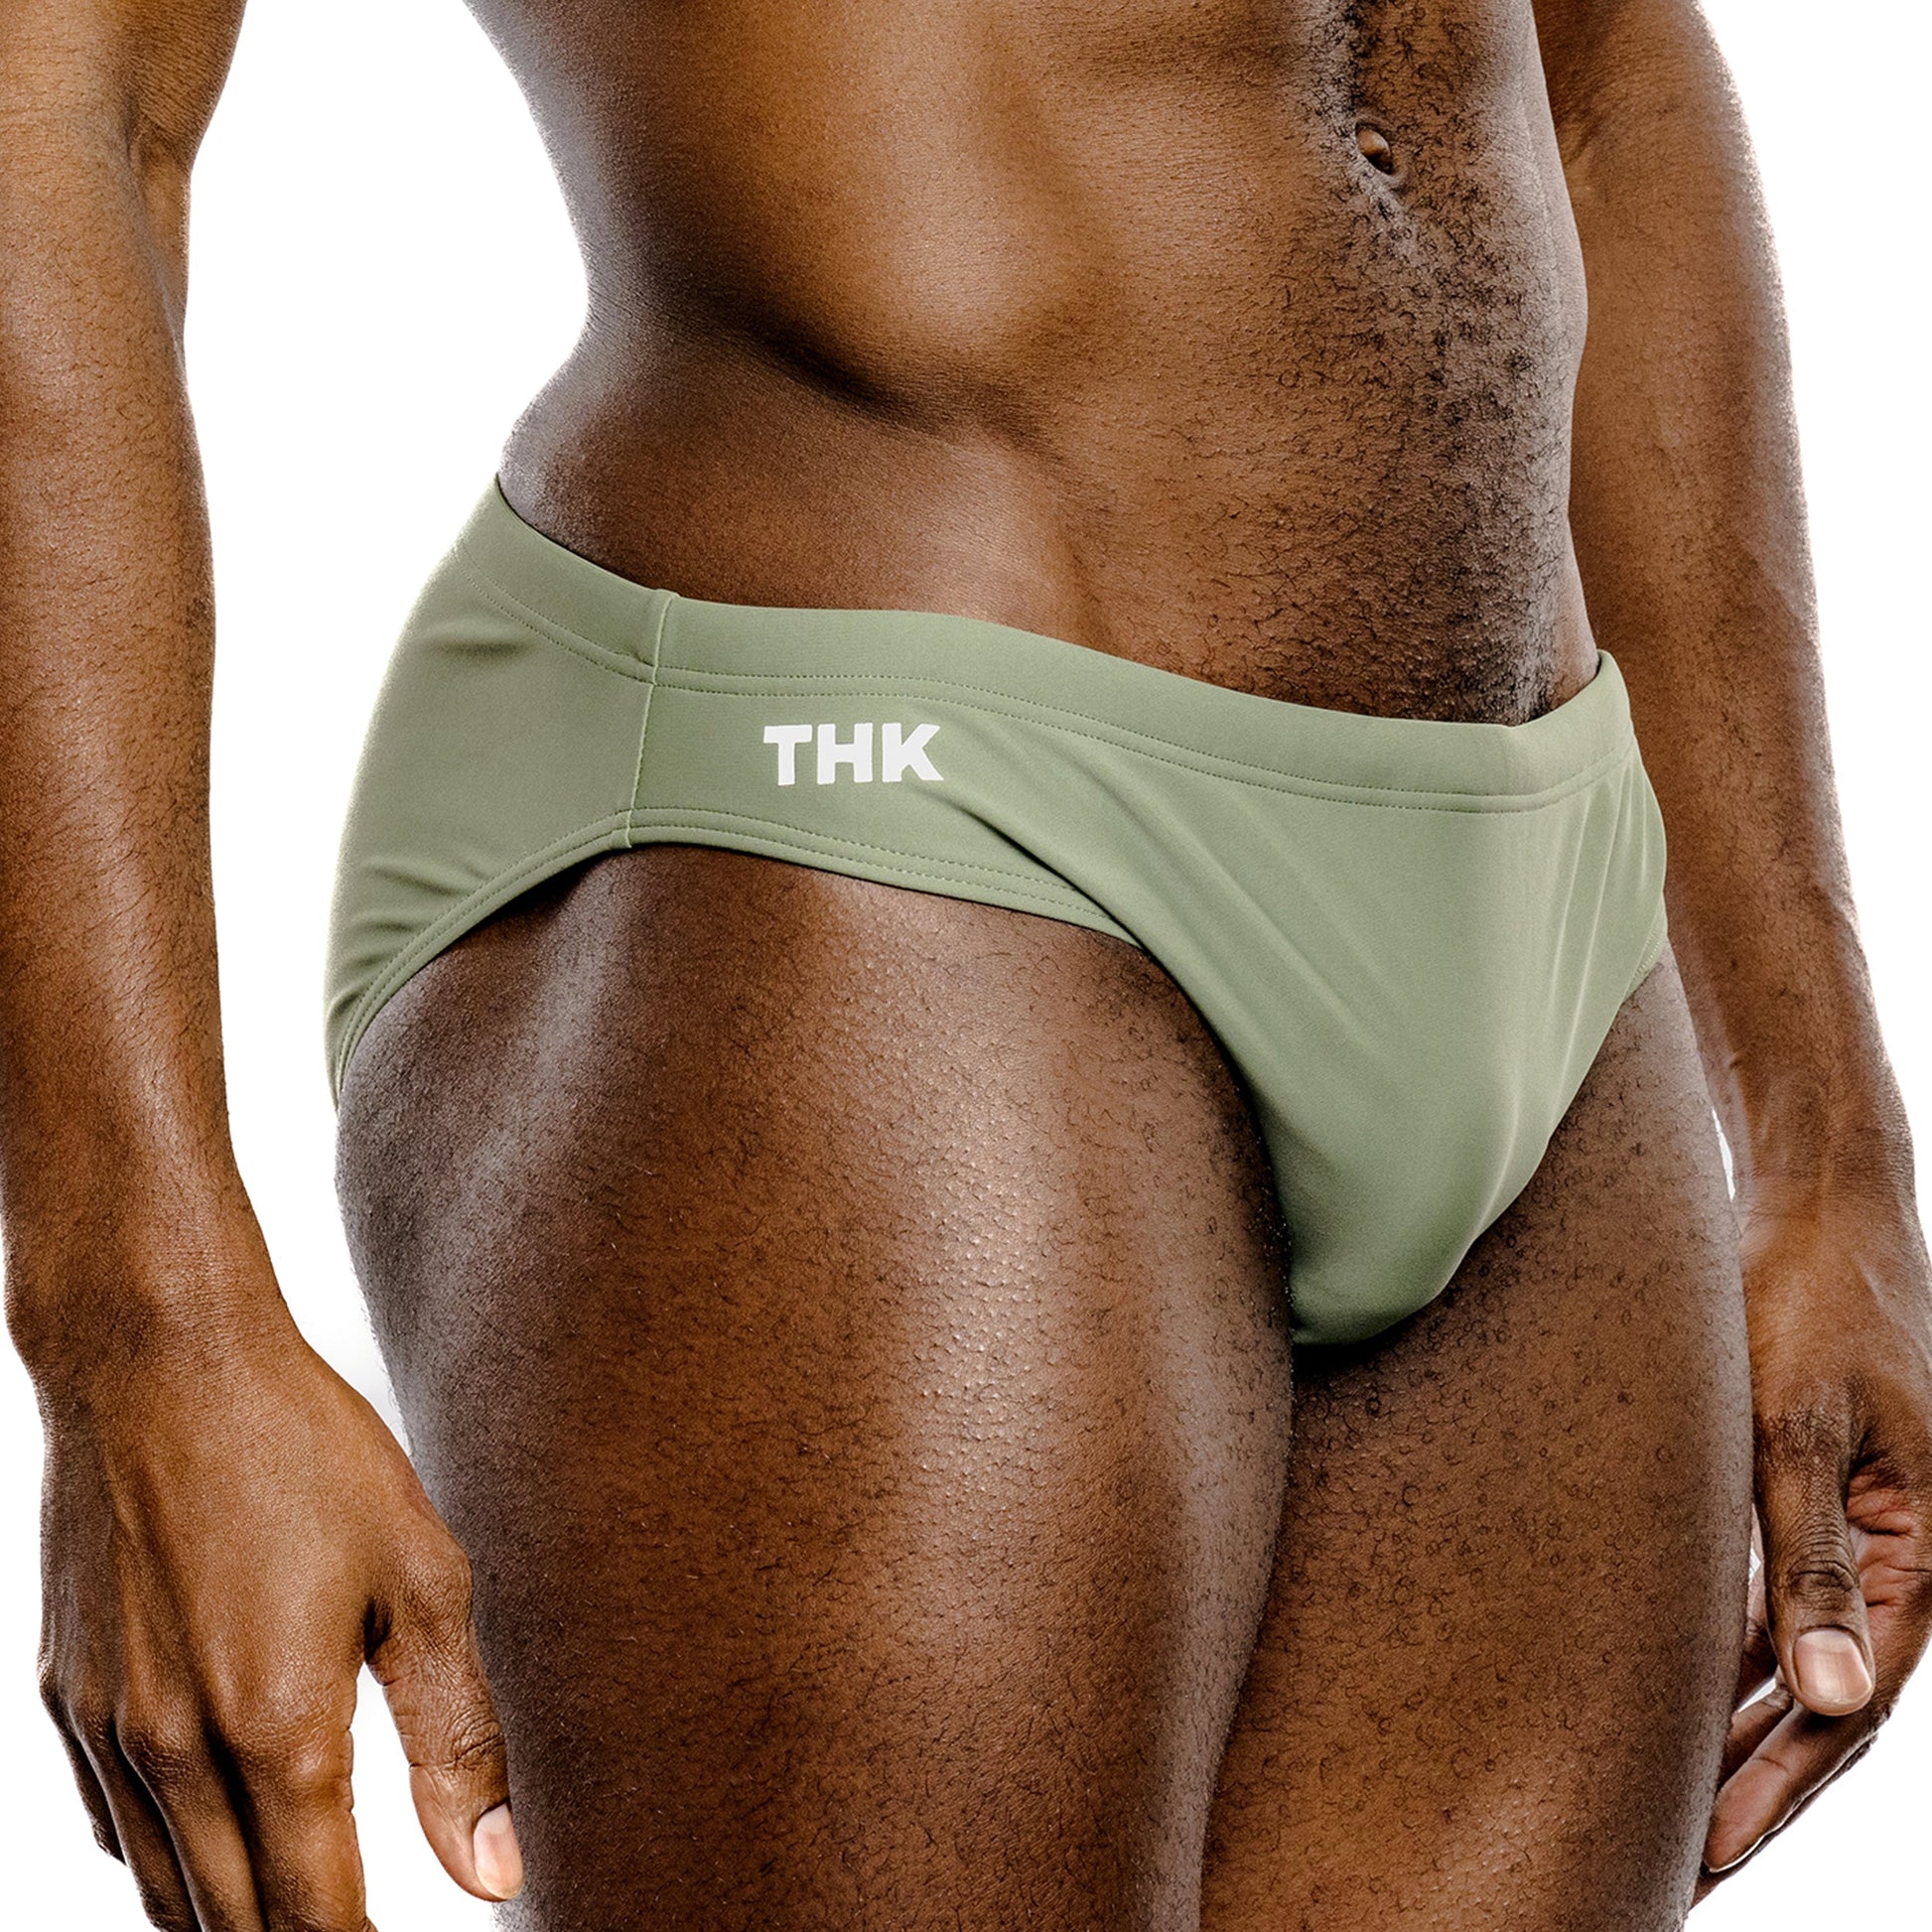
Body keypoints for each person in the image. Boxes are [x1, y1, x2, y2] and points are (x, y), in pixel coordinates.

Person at [2, 0, 1928, 1927]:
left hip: (1542, 864)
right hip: (868, 785)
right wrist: (135, 1323)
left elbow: (1601, 76)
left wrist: (1827, 1136)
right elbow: (61, 93)